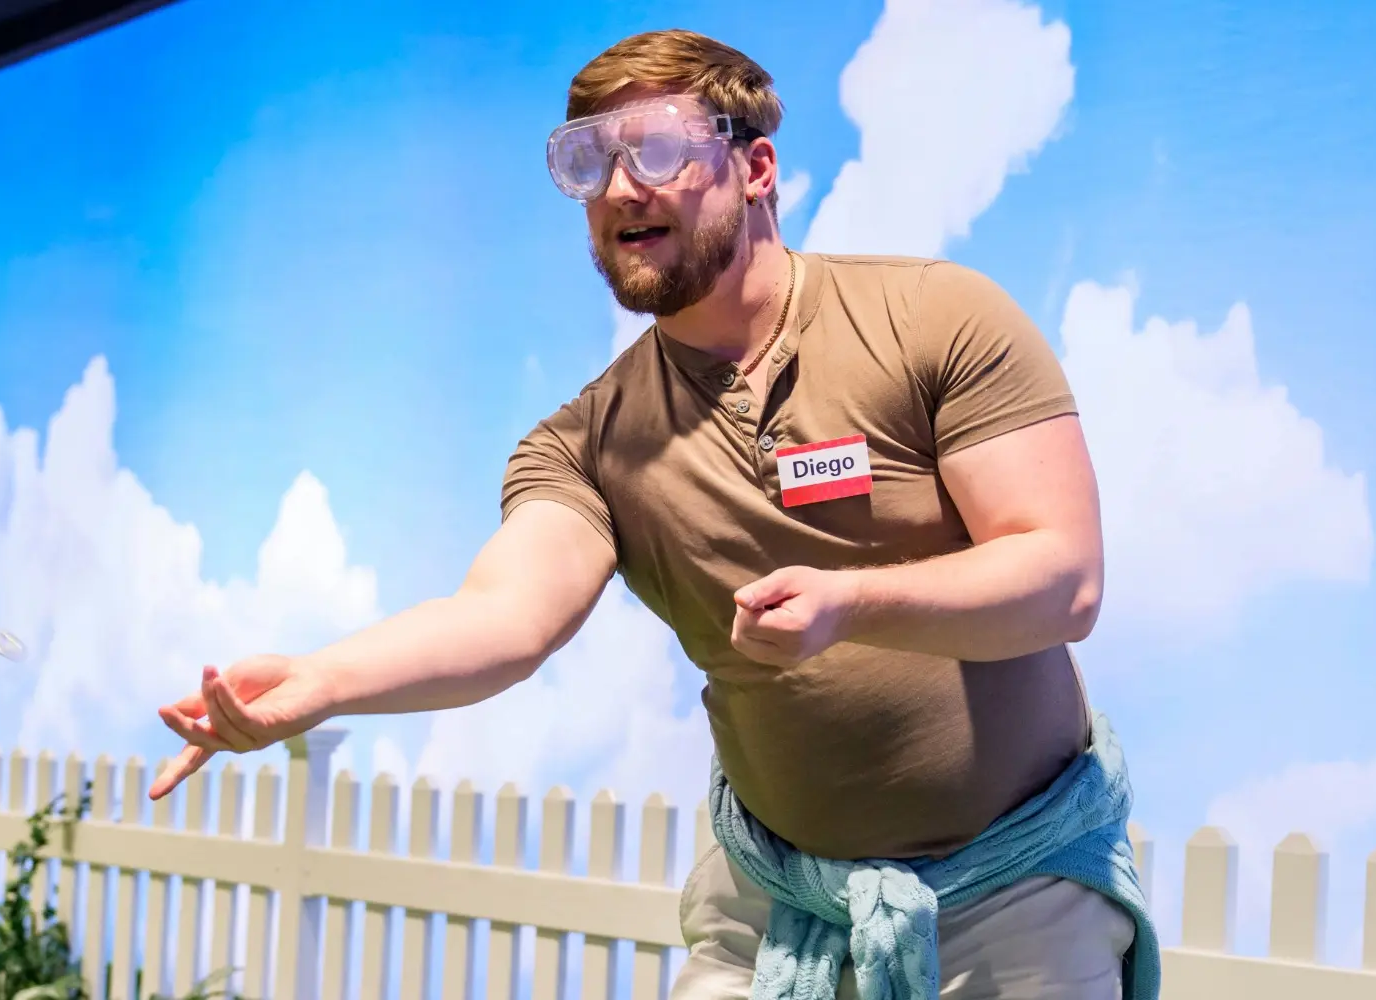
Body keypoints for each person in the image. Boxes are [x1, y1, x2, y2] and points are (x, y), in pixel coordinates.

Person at [151, 28, 1157, 1000]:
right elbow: (505, 616)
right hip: (774, 899)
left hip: (1014, 894)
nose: (620, 187)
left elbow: (1062, 579)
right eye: (588, 160)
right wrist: (321, 681)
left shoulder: (936, 319)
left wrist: (852, 603)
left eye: (659, 148)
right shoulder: (589, 440)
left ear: (756, 167)